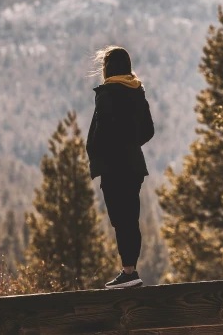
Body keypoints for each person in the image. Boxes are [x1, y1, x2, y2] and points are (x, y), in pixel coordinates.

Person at [86, 45, 154, 289]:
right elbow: (148, 130)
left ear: (107, 68)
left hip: (114, 167)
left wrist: (102, 153)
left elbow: (101, 133)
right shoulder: (137, 92)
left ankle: (128, 274)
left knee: (120, 219)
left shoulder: (107, 94)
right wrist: (131, 146)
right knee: (130, 218)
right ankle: (131, 269)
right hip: (134, 166)